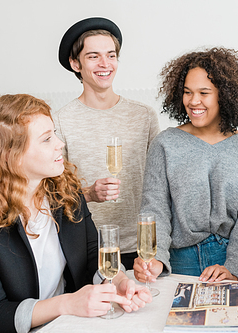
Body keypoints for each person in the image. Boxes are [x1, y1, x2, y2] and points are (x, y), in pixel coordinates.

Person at [0, 94, 151, 333]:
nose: (60, 144)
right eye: (47, 139)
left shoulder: (66, 194)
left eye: (54, 133)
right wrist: (68, 303)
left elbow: (92, 257)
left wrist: (119, 281)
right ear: (10, 156)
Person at [133, 47, 238, 283]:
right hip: (179, 263)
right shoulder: (165, 144)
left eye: (204, 92)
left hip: (234, 264)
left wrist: (234, 268)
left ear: (224, 95)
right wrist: (154, 258)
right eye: (187, 92)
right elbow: (155, 209)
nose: (193, 101)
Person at [54, 17, 160, 270]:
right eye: (93, 56)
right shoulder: (59, 121)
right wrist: (89, 193)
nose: (105, 64)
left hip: (140, 245)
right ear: (75, 63)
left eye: (111, 55)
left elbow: (159, 182)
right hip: (86, 246)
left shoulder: (144, 115)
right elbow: (53, 193)